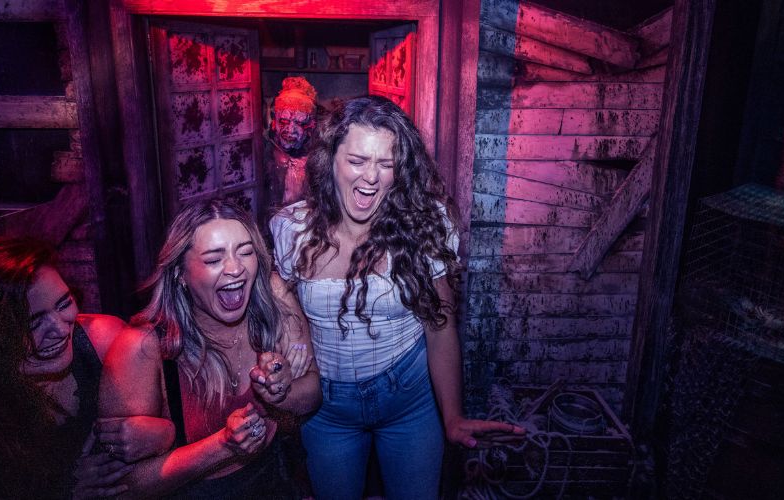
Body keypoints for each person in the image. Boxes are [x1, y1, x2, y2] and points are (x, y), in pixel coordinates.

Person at [269, 95, 527, 499]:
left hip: (409, 400)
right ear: (329, 161)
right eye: (357, 160)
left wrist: (454, 417)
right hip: (328, 409)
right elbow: (277, 287)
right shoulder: (293, 229)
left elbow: (440, 326)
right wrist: (295, 333)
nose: (370, 177)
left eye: (385, 164)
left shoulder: (424, 227)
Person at [99, 198, 320, 498]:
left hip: (276, 480)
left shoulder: (273, 302)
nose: (235, 269)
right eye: (214, 259)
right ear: (180, 273)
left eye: (245, 252)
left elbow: (313, 394)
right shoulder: (142, 347)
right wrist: (223, 446)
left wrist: (282, 395)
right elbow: (124, 486)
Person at [0, 236, 173, 499]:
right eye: (33, 323)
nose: (60, 329)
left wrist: (167, 436)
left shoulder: (105, 341)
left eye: (63, 303)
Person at [264, 76, 318, 211]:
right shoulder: (267, 155)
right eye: (283, 121)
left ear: (311, 126)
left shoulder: (316, 160)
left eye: (299, 123)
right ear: (275, 122)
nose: (290, 130)